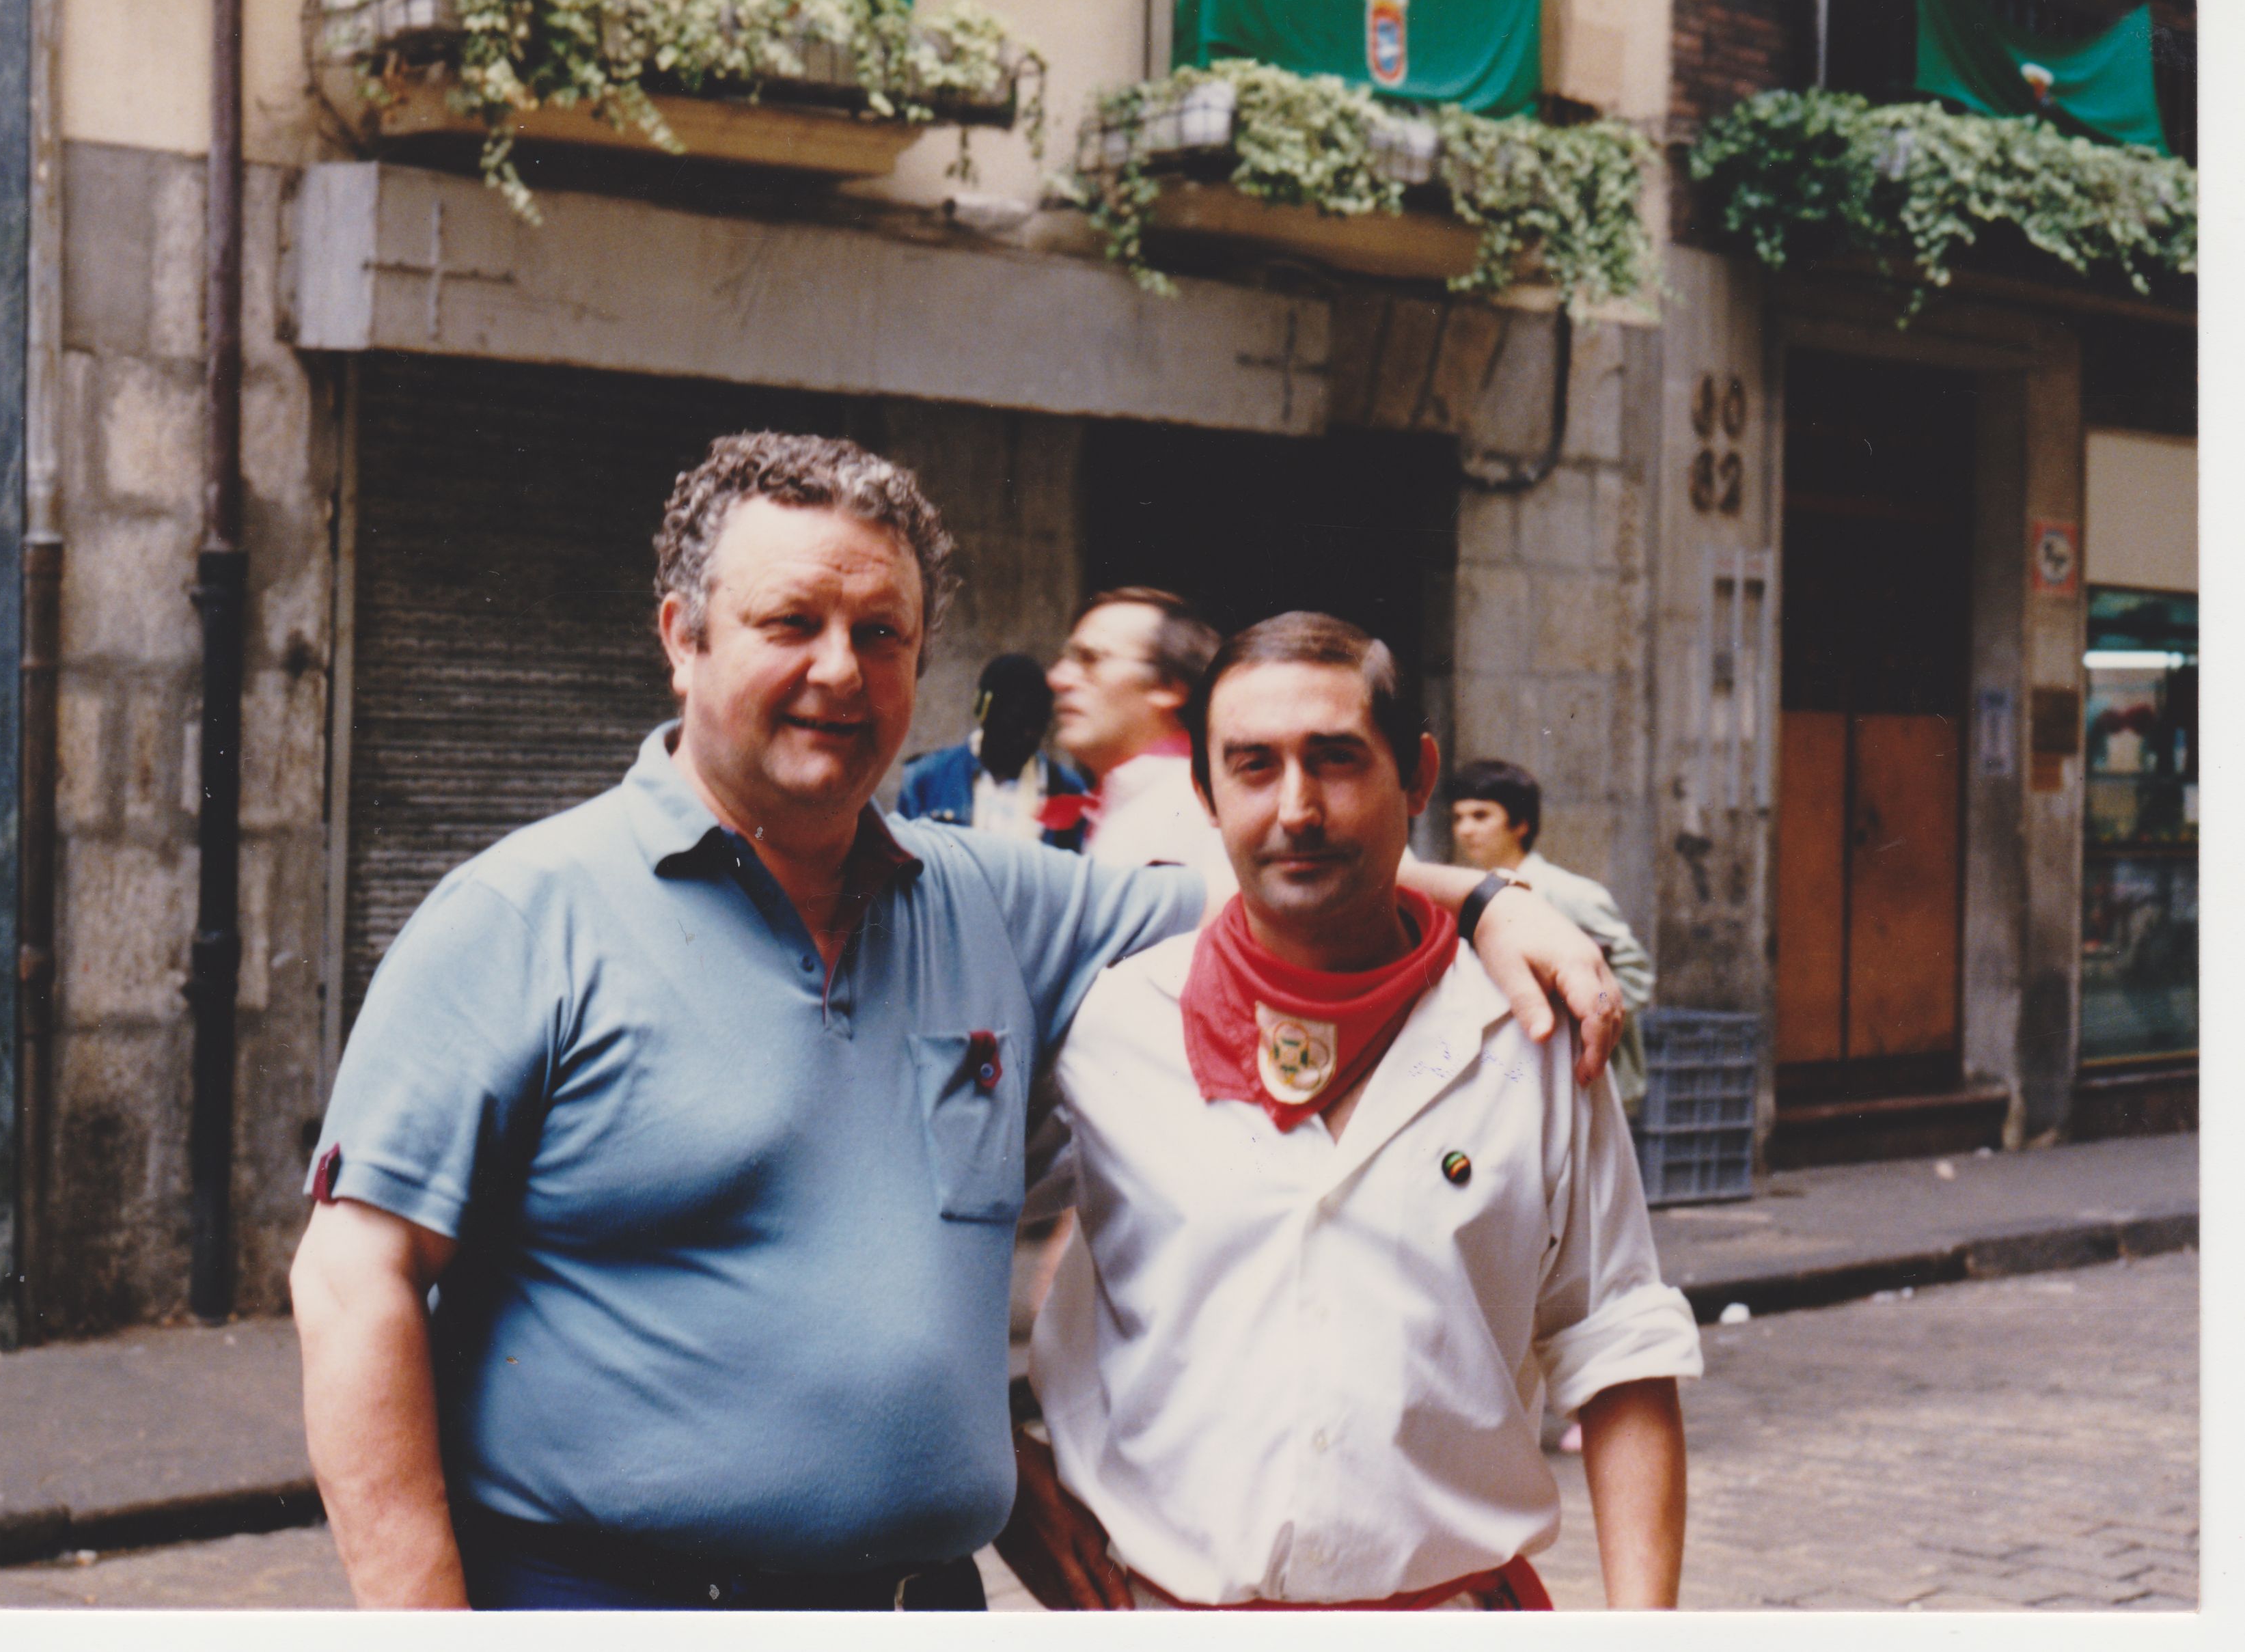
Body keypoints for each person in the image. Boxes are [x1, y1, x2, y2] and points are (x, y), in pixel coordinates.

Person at [289, 433, 1627, 1612]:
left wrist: (1487, 900)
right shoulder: (520, 918)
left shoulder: (989, 900)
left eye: (882, 634)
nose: (841, 670)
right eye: (791, 622)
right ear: (682, 637)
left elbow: (1287, 876)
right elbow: (353, 1283)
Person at [1000, 613, 1700, 1612]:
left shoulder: (1531, 1034)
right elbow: (919, 1228)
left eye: (1336, 760)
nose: (1297, 808)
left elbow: (1617, 1343)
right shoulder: (1116, 1023)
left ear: (1416, 777)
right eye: (1252, 766)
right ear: (1205, 792)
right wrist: (999, 1468)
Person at [1448, 758, 1657, 1118]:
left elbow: (1635, 975)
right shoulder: (1470, 895)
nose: (1465, 830)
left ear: (1521, 824)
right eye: (1458, 817)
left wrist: (1588, 1011)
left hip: (1589, 1083)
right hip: (1521, 1083)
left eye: (1481, 816)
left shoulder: (1572, 894)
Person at [1046, 587, 1233, 897]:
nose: (1058, 679)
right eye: (1066, 660)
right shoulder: (1134, 797)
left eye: (1091, 659)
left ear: (1169, 686)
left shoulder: (1199, 810)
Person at [895, 652, 1086, 849]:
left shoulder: (1066, 788)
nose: (1028, 737)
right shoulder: (927, 777)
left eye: (1038, 726)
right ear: (985, 713)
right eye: (1017, 723)